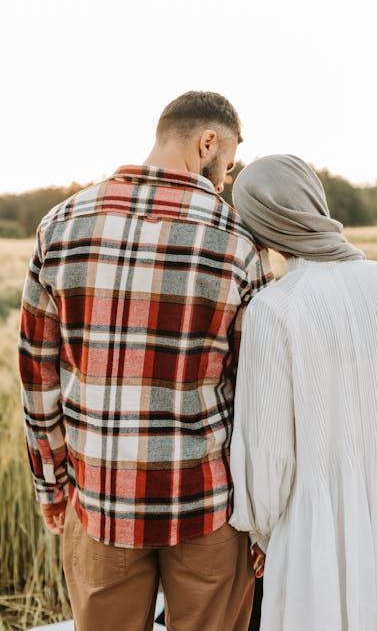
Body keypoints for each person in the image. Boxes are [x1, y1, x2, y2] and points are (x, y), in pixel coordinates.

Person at [18, 91, 272, 631]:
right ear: (208, 141)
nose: (225, 178)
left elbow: (37, 373)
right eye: (226, 160)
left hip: (99, 499)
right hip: (209, 506)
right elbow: (257, 391)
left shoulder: (59, 226)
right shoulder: (238, 242)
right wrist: (263, 514)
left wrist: (51, 483)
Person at [229, 155, 377, 631]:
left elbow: (270, 461)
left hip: (319, 537)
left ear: (261, 225)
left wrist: (262, 531)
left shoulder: (273, 310)